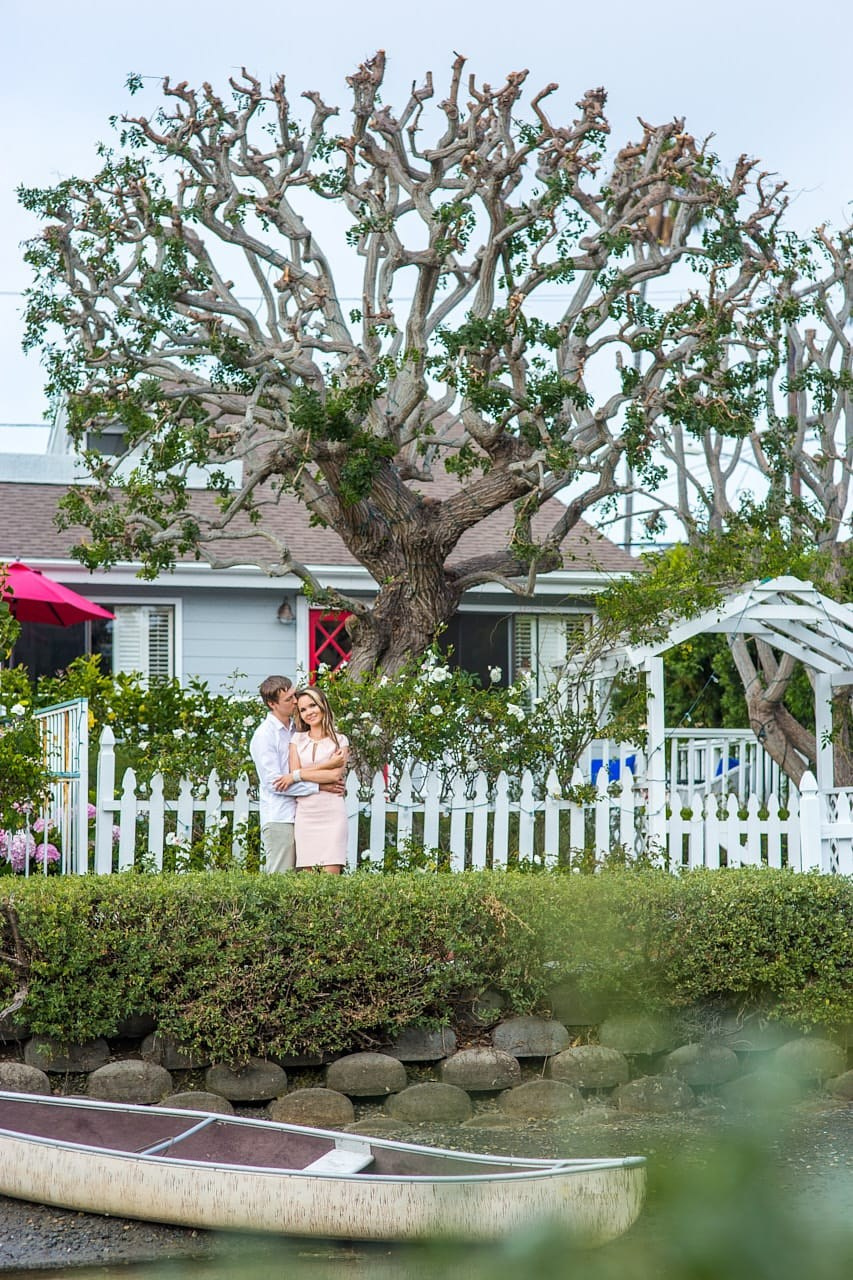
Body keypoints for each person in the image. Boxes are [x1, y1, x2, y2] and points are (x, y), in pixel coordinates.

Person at [249, 676, 344, 873]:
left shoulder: (296, 729)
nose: (295, 701)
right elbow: (274, 783)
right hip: (280, 817)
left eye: (294, 695)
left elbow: (299, 773)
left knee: (301, 884)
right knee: (281, 880)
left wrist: (304, 776)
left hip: (300, 814)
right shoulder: (264, 735)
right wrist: (320, 786)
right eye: (288, 699)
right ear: (272, 704)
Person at [281, 686, 349, 874]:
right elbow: (295, 773)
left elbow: (334, 776)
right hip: (305, 815)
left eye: (312, 706)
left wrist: (297, 775)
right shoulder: (297, 739)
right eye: (303, 709)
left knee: (330, 878)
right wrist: (327, 765)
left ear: (323, 705)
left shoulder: (340, 741)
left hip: (332, 814)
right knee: (308, 881)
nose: (309, 712)